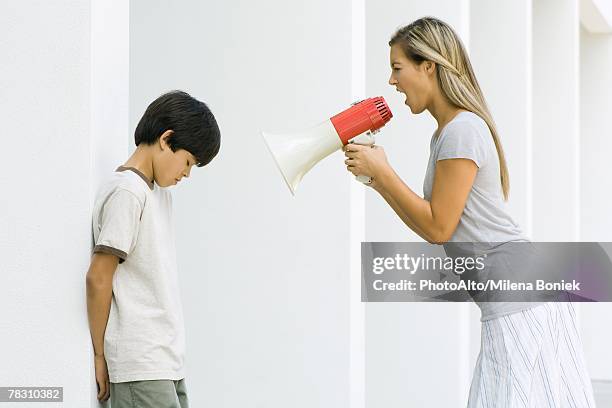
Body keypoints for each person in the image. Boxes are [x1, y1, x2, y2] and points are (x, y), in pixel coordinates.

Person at [344, 17, 596, 407]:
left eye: (397, 68)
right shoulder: (449, 132)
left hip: (520, 302)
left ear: (428, 65)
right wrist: (377, 180)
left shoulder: (462, 130)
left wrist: (385, 173)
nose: (392, 82)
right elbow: (434, 227)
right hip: (512, 301)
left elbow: (439, 227)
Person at [86, 90, 221, 407]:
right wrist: (99, 355)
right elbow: (98, 278)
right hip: (140, 364)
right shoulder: (127, 193)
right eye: (187, 162)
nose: (186, 173)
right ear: (166, 139)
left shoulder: (158, 194)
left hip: (167, 362)